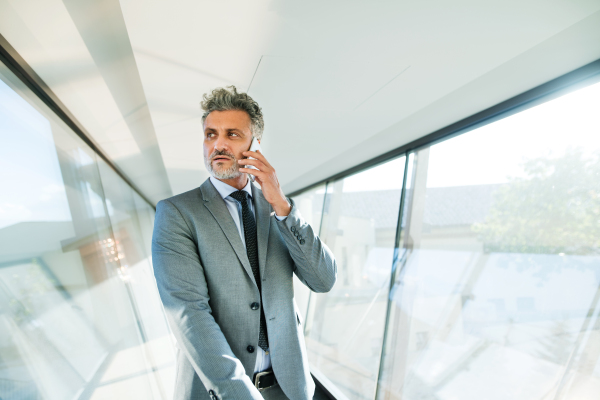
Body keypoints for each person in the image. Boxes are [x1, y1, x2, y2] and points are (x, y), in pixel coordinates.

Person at [152, 86, 337, 400]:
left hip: (289, 387)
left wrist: (282, 206)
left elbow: (323, 279)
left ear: (256, 144)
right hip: (222, 392)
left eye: (232, 134)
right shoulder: (177, 213)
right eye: (211, 134)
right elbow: (190, 314)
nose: (218, 144)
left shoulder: (278, 208)